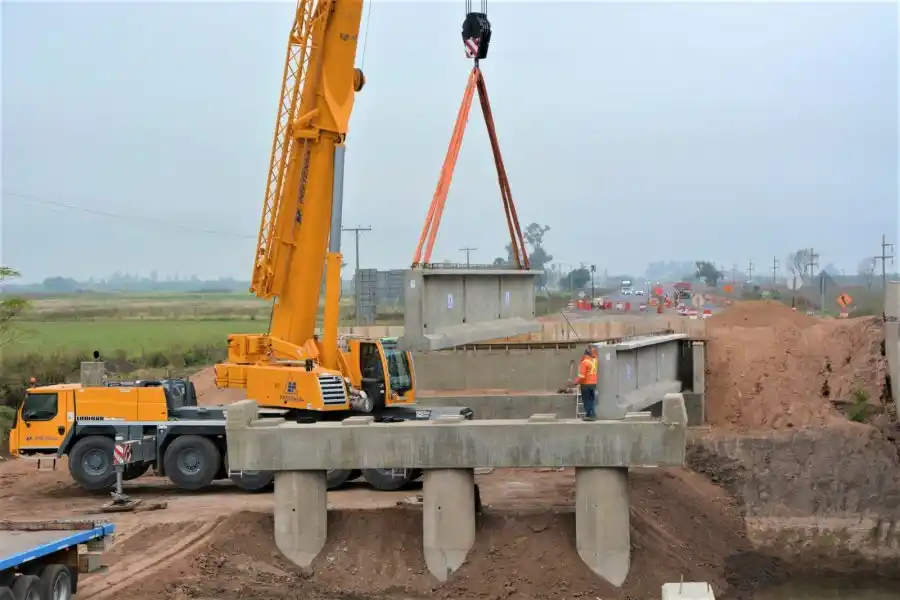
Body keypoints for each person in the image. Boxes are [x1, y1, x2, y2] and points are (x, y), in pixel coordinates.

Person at [571, 347, 599, 421]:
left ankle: (590, 415)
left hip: (586, 385)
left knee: (586, 401)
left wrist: (575, 383)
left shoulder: (584, 363)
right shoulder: (594, 361)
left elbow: (581, 376)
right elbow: (595, 355)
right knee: (591, 400)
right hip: (593, 384)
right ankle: (591, 414)